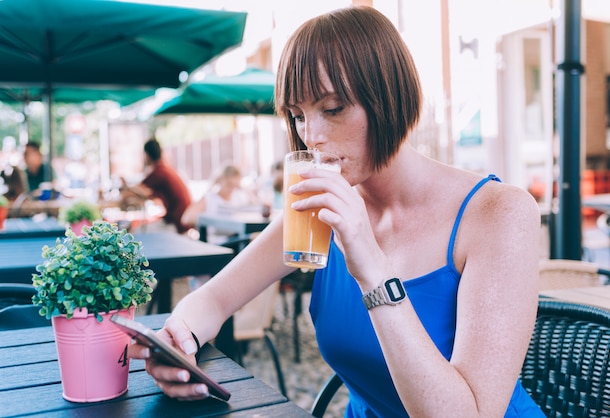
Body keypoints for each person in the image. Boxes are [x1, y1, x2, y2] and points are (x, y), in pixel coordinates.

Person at [129, 6, 542, 417]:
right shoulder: (316, 209)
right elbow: (212, 301)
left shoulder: (499, 214)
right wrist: (178, 344)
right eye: (297, 115)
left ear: (390, 96)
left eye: (333, 108)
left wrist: (373, 271)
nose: (312, 136)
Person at [120, 138, 192, 234]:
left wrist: (125, 188)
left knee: (135, 233)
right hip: (179, 220)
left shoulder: (159, 172)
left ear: (147, 155)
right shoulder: (165, 169)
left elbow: (136, 190)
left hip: (177, 224)